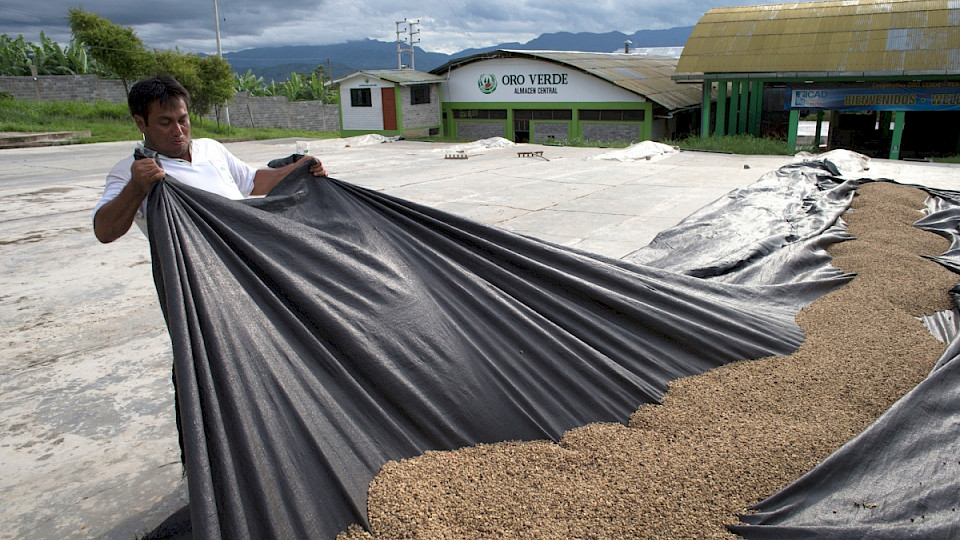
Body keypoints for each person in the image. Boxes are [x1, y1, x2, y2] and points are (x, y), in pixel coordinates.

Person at [93, 75, 326, 243]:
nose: (178, 131)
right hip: (202, 277)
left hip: (249, 254)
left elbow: (252, 181)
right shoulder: (132, 172)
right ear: (141, 123)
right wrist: (135, 189)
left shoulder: (210, 148)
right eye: (165, 123)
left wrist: (299, 169)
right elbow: (104, 232)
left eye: (183, 120)